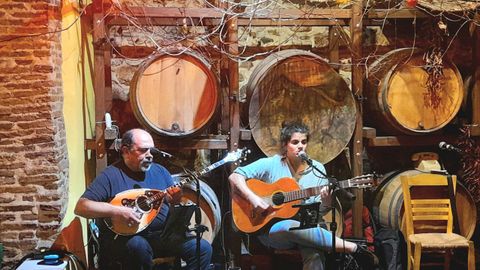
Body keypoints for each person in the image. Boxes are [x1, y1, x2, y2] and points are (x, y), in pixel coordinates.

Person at [229, 122, 377, 270]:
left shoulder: (317, 169)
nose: (300, 146)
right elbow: (235, 177)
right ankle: (353, 248)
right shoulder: (271, 164)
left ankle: (355, 250)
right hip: (274, 232)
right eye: (295, 142)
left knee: (315, 257)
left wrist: (326, 200)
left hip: (308, 230)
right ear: (285, 145)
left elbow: (322, 211)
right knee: (287, 227)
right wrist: (253, 198)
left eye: (304, 142)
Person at [75, 128, 212, 270]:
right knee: (138, 247)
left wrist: (175, 199)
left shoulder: (160, 171)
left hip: (162, 236)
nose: (150, 155)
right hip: (128, 239)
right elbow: (81, 207)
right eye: (143, 150)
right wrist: (117, 211)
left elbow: (171, 202)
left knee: (202, 248)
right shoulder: (111, 176)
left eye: (151, 151)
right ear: (126, 151)